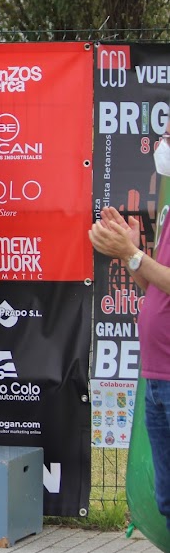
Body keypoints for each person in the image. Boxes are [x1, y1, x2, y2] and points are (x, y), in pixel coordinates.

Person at [90, 122, 170, 529]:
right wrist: (131, 250)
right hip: (157, 375)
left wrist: (135, 255)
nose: (161, 147)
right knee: (167, 495)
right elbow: (154, 287)